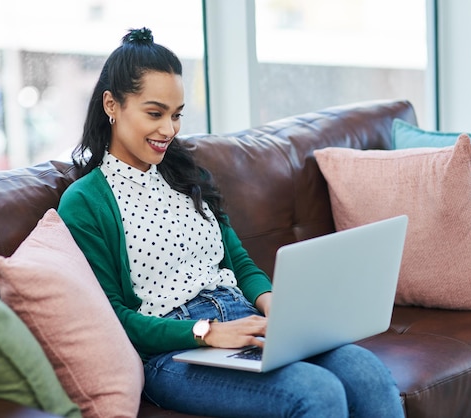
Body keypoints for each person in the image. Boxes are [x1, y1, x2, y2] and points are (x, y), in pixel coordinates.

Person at [58, 27, 404, 418]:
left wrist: (278, 309)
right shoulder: (86, 201)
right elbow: (115, 316)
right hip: (174, 350)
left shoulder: (189, 176)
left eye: (176, 115)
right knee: (315, 392)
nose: (168, 130)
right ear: (111, 105)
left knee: (368, 374)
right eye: (154, 113)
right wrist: (206, 332)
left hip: (242, 320)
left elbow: (238, 263)